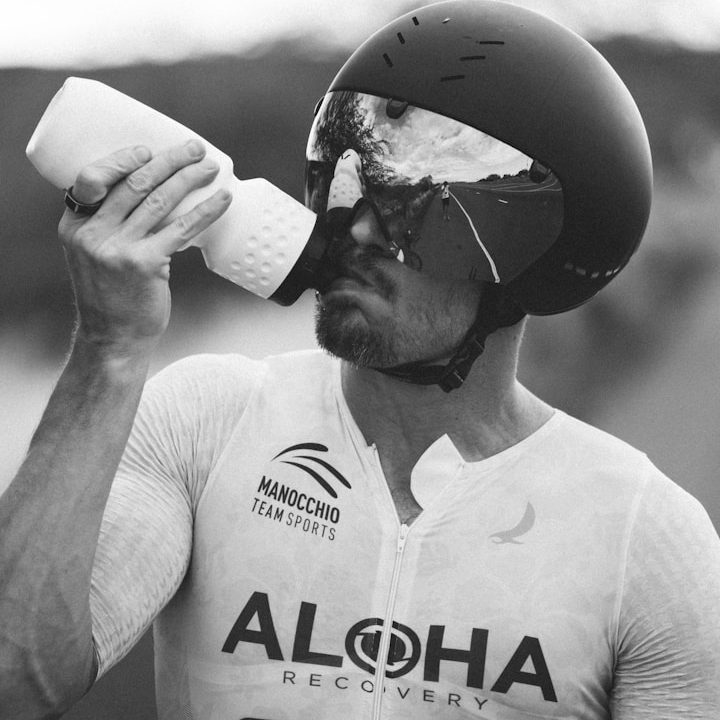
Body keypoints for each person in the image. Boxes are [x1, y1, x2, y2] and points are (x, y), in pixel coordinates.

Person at [2, 2, 719, 719]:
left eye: (423, 203)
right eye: (345, 181)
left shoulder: (642, 537)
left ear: (537, 258)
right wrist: (110, 347)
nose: (360, 227)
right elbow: (15, 680)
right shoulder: (205, 426)